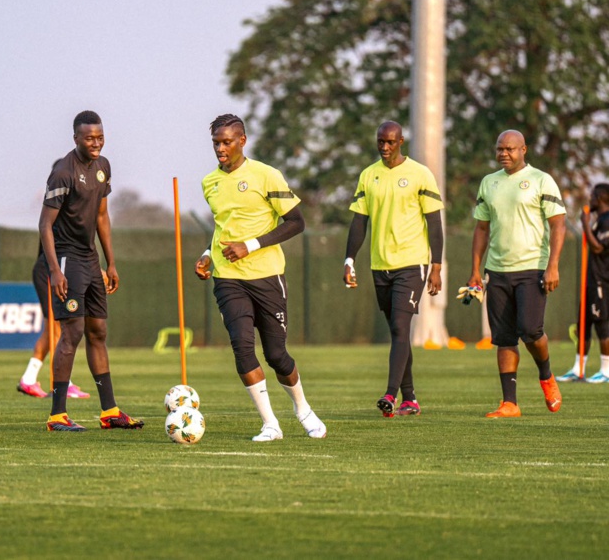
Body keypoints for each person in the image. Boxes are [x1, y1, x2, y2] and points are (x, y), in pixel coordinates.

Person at [194, 113, 325, 442]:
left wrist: (250, 246)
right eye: (215, 143)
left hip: (267, 276)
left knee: (277, 355)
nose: (220, 149)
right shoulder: (209, 183)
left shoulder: (266, 175)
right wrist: (208, 255)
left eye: (226, 142)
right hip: (228, 279)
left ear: (242, 141)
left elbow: (296, 222)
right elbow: (223, 228)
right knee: (241, 348)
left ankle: (303, 409)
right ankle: (270, 424)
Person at [39, 110, 143, 432]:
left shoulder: (103, 167)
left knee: (98, 331)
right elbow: (45, 224)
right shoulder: (63, 173)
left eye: (100, 137)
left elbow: (102, 216)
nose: (96, 143)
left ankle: (109, 412)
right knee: (72, 333)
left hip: (91, 259)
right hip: (68, 259)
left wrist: (110, 262)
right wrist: (55, 270)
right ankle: (57, 415)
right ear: (75, 139)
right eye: (89, 138)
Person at [344, 121, 444, 417]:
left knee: (401, 327)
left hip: (412, 264)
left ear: (401, 141)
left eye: (390, 142)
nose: (385, 148)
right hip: (380, 265)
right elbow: (359, 222)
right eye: (380, 142)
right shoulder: (368, 175)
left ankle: (390, 393)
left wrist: (436, 266)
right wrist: (349, 259)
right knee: (397, 332)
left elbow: (435, 223)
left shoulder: (420, 174)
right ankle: (410, 399)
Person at [468, 130, 565, 417]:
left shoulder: (541, 180)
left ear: (524, 149)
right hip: (497, 271)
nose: (503, 154)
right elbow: (481, 229)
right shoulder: (489, 183)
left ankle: (546, 375)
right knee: (504, 338)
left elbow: (558, 225)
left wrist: (554, 265)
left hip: (532, 267)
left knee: (531, 330)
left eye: (510, 149)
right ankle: (510, 402)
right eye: (500, 149)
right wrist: (475, 270)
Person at [16, 244, 90, 399]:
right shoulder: (60, 221)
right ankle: (62, 384)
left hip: (52, 268)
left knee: (52, 329)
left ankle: (29, 379)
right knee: (58, 326)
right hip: (50, 270)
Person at [557, 183, 609, 384]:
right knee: (583, 326)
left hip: (601, 282)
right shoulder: (599, 220)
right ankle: (578, 369)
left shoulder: (606, 221)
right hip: (589, 281)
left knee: (602, 326)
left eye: (593, 197)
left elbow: (598, 248)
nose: (590, 201)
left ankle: (606, 370)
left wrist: (585, 223)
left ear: (601, 198)